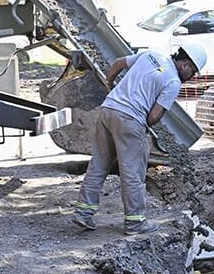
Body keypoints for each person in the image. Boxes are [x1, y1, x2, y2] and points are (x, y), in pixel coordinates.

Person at [72, 43, 206, 234]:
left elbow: (118, 63)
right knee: (132, 172)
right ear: (185, 64)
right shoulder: (173, 82)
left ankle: (83, 212)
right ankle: (135, 222)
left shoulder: (150, 54)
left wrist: (110, 85)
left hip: (108, 110)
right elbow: (154, 116)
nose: (191, 77)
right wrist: (141, 127)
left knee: (99, 164)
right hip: (130, 120)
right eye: (192, 72)